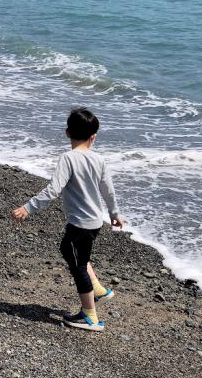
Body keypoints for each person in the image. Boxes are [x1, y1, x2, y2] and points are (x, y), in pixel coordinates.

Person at [11, 108, 125, 333]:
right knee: (69, 250)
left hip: (80, 224)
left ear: (67, 132)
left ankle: (90, 317)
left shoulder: (68, 158)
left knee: (78, 265)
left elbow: (53, 189)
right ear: (94, 136)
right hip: (94, 222)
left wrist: (28, 208)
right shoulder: (99, 159)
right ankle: (99, 289)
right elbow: (108, 190)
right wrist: (114, 213)